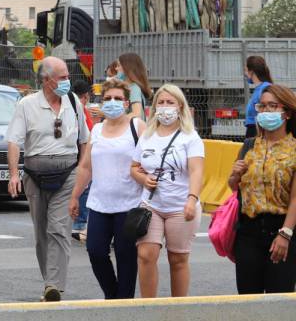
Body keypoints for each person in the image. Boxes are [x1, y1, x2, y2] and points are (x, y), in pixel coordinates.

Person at [5, 56, 90, 302]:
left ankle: (54, 285)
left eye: (67, 77)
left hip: (67, 174)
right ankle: (49, 282)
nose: (67, 82)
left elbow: (84, 140)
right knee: (42, 233)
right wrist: (13, 174)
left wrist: (83, 171)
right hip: (35, 175)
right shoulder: (27, 105)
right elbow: (14, 141)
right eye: (62, 77)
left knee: (59, 230)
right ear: (46, 80)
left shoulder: (74, 102)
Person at [69, 79, 143, 300]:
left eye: (118, 99)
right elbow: (85, 166)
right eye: (108, 98)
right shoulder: (98, 129)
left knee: (125, 256)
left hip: (130, 204)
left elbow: (149, 160)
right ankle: (112, 296)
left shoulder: (137, 126)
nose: (112, 102)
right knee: (96, 252)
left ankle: (124, 301)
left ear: (127, 103)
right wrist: (74, 197)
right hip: (100, 203)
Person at [131, 84, 205, 298]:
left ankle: (178, 307)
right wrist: (144, 179)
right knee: (146, 254)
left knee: (178, 258)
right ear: (154, 107)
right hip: (151, 205)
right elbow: (134, 168)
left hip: (180, 206)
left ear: (180, 106)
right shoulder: (147, 136)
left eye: (170, 102)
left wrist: (192, 199)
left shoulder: (190, 138)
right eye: (160, 103)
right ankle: (148, 306)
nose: (165, 108)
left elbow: (196, 171)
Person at [228, 84, 296, 293]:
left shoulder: (294, 148)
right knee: (248, 301)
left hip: (282, 229)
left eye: (272, 106)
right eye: (262, 106)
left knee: (278, 300)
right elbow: (233, 187)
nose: (266, 111)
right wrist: (235, 175)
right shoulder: (249, 145)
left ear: (287, 113)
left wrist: (285, 234)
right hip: (248, 232)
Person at [70, 77, 94, 241]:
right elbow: (88, 134)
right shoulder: (80, 108)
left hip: (75, 154)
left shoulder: (68, 105)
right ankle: (80, 223)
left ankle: (78, 222)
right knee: (85, 187)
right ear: (85, 96)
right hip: (81, 155)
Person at [243, 55, 273, 139]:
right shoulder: (259, 89)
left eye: (245, 70)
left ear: (251, 72)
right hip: (253, 130)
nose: (245, 73)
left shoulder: (264, 89)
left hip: (258, 131)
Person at [116, 52, 152, 120]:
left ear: (127, 68)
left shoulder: (134, 88)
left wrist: (114, 119)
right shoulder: (130, 87)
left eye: (119, 65)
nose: (116, 69)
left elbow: (136, 114)